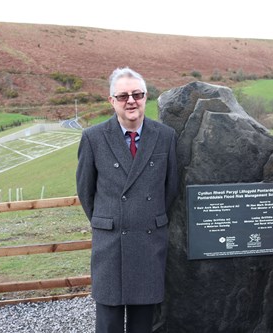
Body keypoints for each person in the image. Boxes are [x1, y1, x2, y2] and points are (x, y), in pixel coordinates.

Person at [76, 67, 178, 333]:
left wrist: (144, 216)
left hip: (148, 241)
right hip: (110, 244)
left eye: (137, 94)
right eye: (123, 96)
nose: (131, 101)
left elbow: (170, 188)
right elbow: (86, 193)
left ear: (145, 97)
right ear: (112, 101)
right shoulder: (93, 138)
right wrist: (109, 219)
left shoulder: (165, 136)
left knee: (142, 324)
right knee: (108, 323)